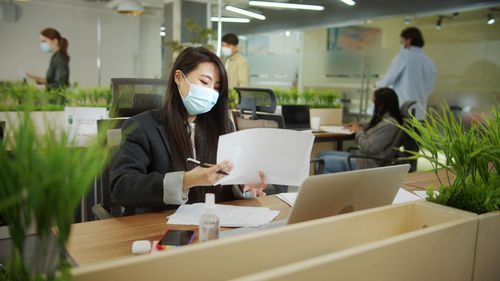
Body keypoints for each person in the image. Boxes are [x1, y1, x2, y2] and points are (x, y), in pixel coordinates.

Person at [110, 47, 266, 214]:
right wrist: (186, 180)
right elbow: (121, 187)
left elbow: (225, 181)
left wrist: (242, 186)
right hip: (162, 226)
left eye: (217, 88)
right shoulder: (142, 126)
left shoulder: (223, 125)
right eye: (204, 82)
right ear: (178, 77)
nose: (210, 92)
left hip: (213, 222)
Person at [317, 88, 403, 173]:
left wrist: (358, 131)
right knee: (321, 155)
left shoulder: (390, 124)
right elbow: (376, 127)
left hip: (368, 164)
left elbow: (368, 147)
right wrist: (361, 124)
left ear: (382, 104)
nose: (375, 107)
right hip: (363, 157)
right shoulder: (385, 120)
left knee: (323, 161)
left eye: (375, 103)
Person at [375, 27, 436, 121]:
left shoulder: (403, 57)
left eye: (402, 41)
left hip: (403, 110)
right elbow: (430, 89)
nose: (402, 44)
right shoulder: (429, 62)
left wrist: (376, 85)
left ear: (409, 40)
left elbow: (388, 80)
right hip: (420, 113)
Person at [26, 28, 70, 94]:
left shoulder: (59, 59)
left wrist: (41, 87)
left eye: (44, 41)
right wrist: (35, 78)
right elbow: (51, 80)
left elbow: (61, 84)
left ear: (55, 41)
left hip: (58, 99)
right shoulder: (55, 58)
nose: (42, 44)